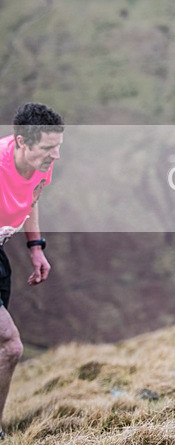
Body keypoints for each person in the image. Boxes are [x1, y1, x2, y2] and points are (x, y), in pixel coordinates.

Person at [0, 103, 64, 438]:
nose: (56, 156)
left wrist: (35, 246)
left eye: (58, 147)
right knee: (9, 345)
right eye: (48, 148)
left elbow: (32, 198)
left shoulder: (41, 164)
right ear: (22, 142)